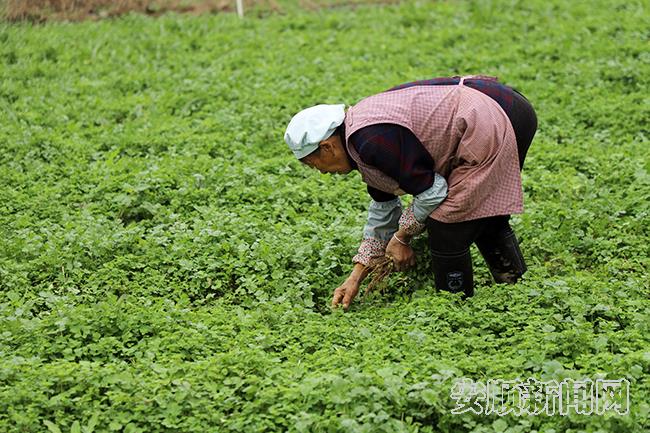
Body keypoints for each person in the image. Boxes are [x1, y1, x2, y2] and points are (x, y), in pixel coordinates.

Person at [284, 75, 537, 310]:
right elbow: (383, 210)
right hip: (495, 108)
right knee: (482, 215)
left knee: (447, 224)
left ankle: (456, 311)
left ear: (327, 147)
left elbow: (433, 191)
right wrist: (355, 277)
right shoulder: (359, 141)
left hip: (495, 113)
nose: (320, 172)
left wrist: (402, 238)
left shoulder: (372, 141)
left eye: (311, 163)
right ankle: (516, 289)